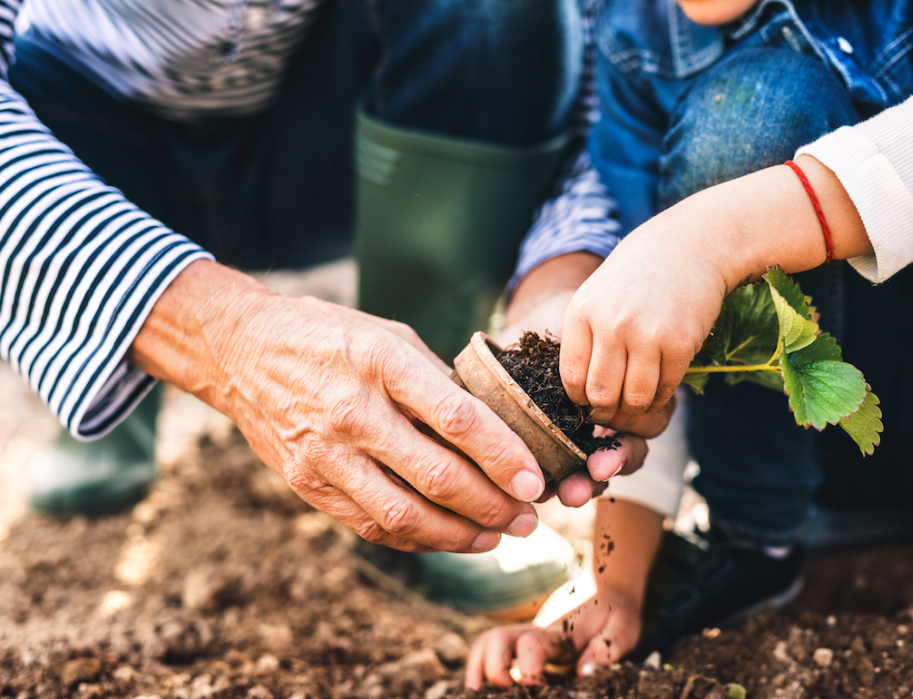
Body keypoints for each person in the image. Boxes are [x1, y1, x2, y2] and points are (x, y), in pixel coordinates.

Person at [0, 0, 662, 555]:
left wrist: (562, 273)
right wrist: (223, 336)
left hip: (327, 138)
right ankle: (109, 377)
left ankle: (431, 436)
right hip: (81, 131)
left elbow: (610, 60)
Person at [465, 0, 913, 686]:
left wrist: (716, 236)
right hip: (804, 462)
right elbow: (642, 322)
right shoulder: (636, 39)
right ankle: (752, 537)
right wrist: (617, 582)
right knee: (751, 111)